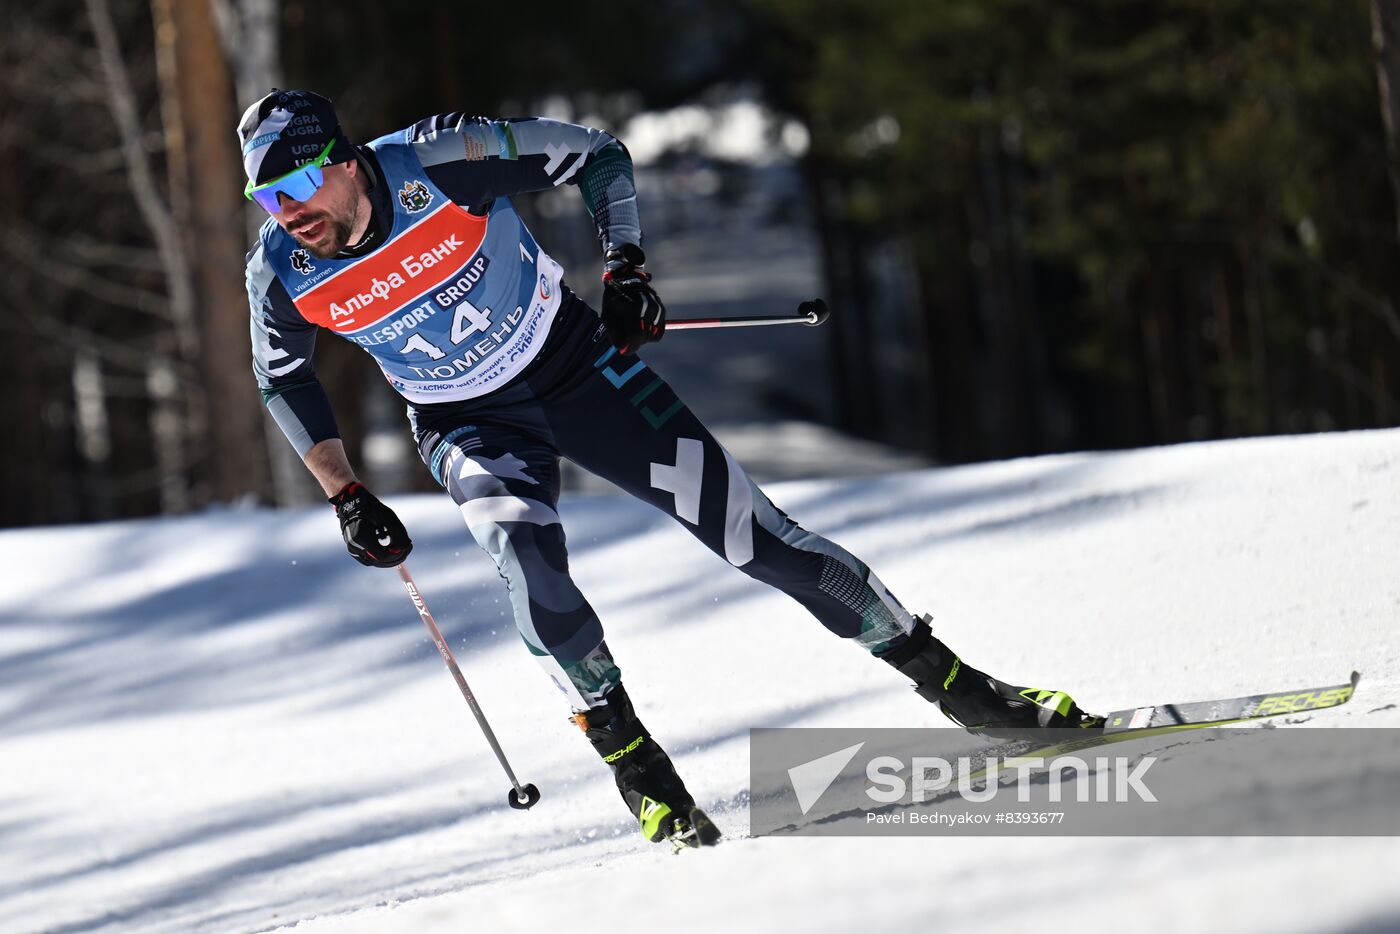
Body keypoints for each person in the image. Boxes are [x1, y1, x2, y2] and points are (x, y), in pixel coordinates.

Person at [240, 89, 1095, 849]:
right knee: (527, 563)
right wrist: (346, 493)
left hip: (576, 368)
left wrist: (626, 268)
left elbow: (595, 153)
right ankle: (637, 768)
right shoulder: (280, 270)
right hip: (465, 424)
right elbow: (281, 376)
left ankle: (960, 687)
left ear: (346, 163)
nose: (286, 212)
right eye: (265, 198)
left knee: (757, 539)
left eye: (296, 185)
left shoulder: (438, 161)